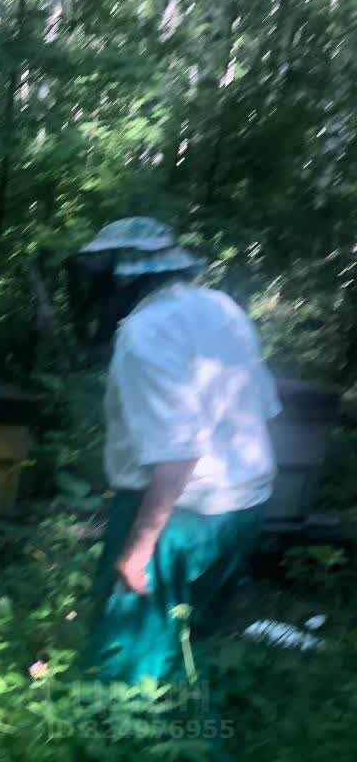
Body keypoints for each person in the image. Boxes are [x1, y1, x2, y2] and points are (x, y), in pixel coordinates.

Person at [73, 218, 281, 690]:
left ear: (121, 276)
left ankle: (120, 735)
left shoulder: (143, 331)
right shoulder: (222, 307)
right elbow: (264, 408)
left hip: (179, 512)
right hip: (243, 505)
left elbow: (177, 454)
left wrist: (138, 549)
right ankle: (193, 728)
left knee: (128, 667)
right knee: (189, 647)